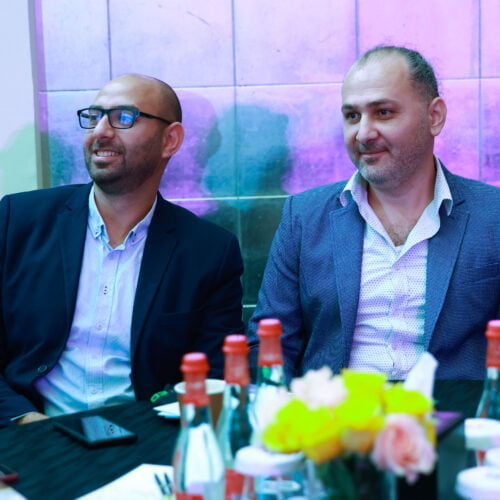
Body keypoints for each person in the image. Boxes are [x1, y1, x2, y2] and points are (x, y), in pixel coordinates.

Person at [0, 74, 244, 426]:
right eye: (94, 116)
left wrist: (143, 429)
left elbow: (213, 375)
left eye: (123, 117)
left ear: (170, 139)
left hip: (145, 436)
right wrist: (27, 421)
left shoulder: (209, 252)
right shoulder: (19, 220)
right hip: (31, 431)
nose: (100, 131)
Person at [247, 46, 500, 382]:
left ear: (434, 116)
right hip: (335, 410)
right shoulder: (304, 217)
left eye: (383, 112)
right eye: (352, 116)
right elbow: (269, 342)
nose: (364, 133)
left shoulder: (493, 215)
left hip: (452, 411)